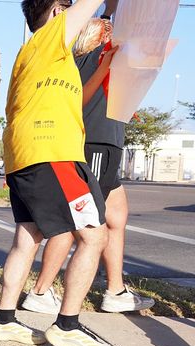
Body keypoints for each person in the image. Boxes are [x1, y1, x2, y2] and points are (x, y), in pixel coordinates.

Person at [0, 0, 116, 346]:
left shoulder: (49, 58)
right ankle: (67, 327)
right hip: (52, 152)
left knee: (28, 237)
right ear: (59, 12)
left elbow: (80, 102)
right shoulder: (50, 37)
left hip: (26, 157)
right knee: (94, 235)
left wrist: (103, 65)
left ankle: (4, 319)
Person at [22, 13, 154, 315]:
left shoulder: (82, 59)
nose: (112, 32)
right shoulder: (96, 57)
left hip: (104, 146)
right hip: (95, 145)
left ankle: (116, 289)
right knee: (78, 222)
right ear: (97, 36)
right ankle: (41, 291)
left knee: (117, 214)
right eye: (107, 28)